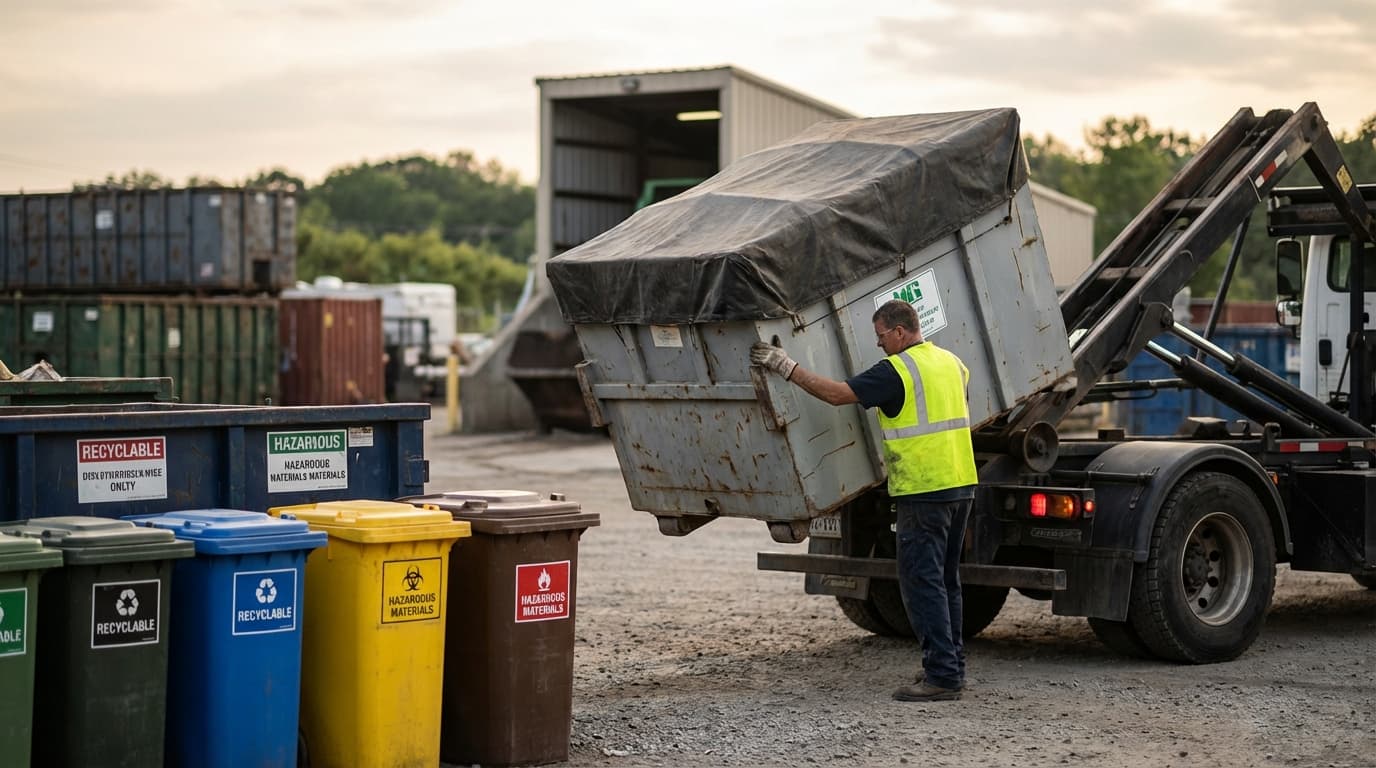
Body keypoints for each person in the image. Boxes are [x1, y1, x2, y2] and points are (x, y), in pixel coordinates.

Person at [750, 299, 977, 702]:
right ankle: (952, 668)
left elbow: (838, 395)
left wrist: (785, 366)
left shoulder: (898, 370)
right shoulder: (952, 362)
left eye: (881, 336)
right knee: (946, 581)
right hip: (961, 484)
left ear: (900, 332)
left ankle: (942, 677)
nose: (879, 345)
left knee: (922, 583)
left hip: (923, 490)